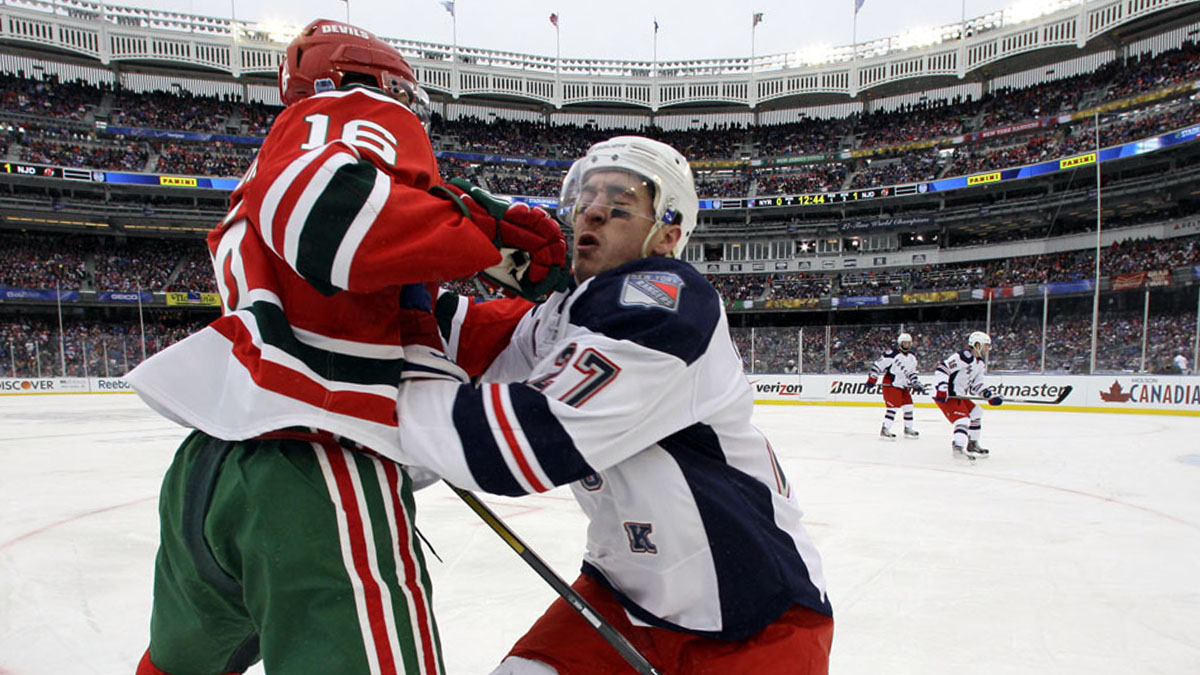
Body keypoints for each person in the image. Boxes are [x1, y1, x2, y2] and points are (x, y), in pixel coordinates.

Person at [126, 19, 566, 675]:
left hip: (211, 468)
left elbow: (423, 323)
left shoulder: (263, 185)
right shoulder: (344, 112)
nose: (409, 120)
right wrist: (478, 225)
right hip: (314, 465)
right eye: (402, 99)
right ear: (364, 81)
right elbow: (324, 215)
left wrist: (556, 310)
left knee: (178, 665)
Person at [391, 136, 833, 674]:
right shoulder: (565, 311)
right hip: (625, 597)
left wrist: (411, 349)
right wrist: (408, 256)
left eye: (622, 201)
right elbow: (467, 340)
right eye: (587, 196)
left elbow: (521, 447)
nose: (595, 208)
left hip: (754, 615)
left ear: (667, 234)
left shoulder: (665, 301)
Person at [932, 331, 1003, 460]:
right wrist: (942, 388)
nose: (988, 349)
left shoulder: (979, 363)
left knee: (976, 412)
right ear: (977, 344)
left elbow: (976, 385)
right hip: (948, 396)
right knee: (963, 420)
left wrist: (989, 395)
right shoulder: (963, 356)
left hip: (959, 396)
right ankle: (958, 448)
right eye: (986, 345)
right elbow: (942, 369)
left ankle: (972, 444)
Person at [866, 332, 924, 440]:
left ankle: (908, 428)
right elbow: (877, 366)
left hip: (903, 385)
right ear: (900, 343)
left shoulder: (912, 357)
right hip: (891, 384)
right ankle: (885, 429)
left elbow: (912, 373)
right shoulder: (892, 354)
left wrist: (915, 382)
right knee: (893, 407)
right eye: (904, 343)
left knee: (909, 406)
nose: (906, 345)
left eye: (908, 343)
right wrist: (872, 379)